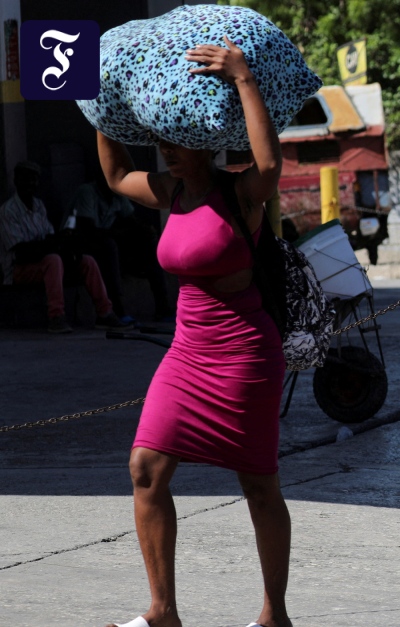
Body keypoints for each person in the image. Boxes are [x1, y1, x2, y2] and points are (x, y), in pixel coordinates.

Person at [98, 37, 292, 627]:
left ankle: (273, 614)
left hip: (244, 354)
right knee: (145, 468)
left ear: (204, 143)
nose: (164, 154)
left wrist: (241, 77)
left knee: (258, 483)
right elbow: (113, 174)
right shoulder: (171, 193)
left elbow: (270, 166)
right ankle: (162, 613)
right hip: (187, 353)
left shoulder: (241, 193)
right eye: (159, 143)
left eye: (174, 143)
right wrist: (97, 99)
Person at [0, 161, 132, 334]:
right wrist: (53, 247)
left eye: (33, 180)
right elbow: (22, 252)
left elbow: (49, 238)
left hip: (44, 260)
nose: (30, 184)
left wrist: (66, 249)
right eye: (25, 179)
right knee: (53, 260)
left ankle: (105, 313)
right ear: (16, 181)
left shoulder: (38, 205)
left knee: (86, 261)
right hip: (18, 269)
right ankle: (56, 317)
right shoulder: (8, 211)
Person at [71, 178, 175, 322]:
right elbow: (88, 230)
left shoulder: (117, 194)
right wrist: (121, 233)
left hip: (106, 242)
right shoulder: (87, 192)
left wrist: (145, 231)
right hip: (79, 245)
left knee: (148, 241)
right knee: (109, 246)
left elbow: (131, 221)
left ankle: (162, 306)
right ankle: (117, 309)